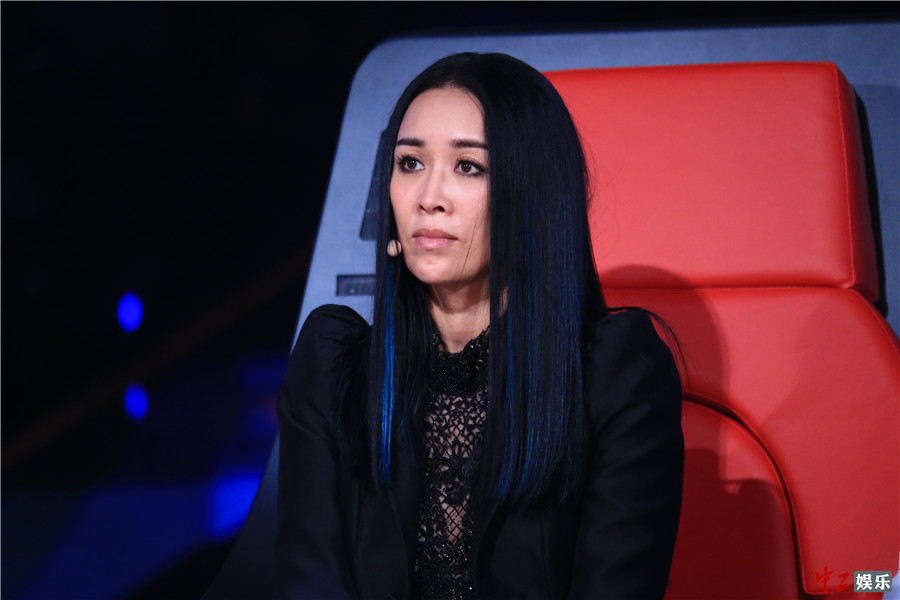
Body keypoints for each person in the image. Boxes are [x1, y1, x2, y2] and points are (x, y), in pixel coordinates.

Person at [276, 52, 684, 600]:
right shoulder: (332, 367)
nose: (428, 199)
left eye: (468, 167)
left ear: (533, 195)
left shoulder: (616, 375)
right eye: (410, 163)